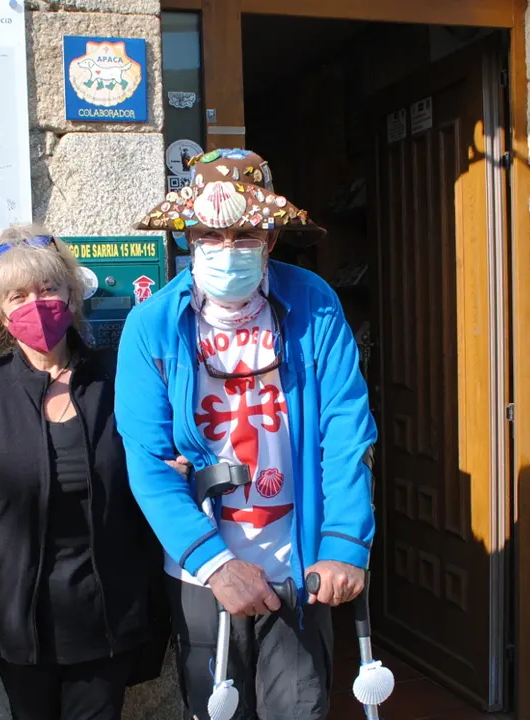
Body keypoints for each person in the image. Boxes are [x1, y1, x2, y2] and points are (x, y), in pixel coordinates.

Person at [116, 149, 378, 719]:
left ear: (271, 240)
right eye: (211, 233)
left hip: (300, 565)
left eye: (244, 234)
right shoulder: (152, 325)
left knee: (301, 708)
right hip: (201, 573)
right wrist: (215, 565)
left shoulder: (314, 305)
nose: (227, 248)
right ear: (189, 237)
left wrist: (343, 543)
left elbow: (345, 428)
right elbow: (149, 460)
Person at [0, 225, 168, 720]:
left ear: (72, 295)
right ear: (0, 312)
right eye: (18, 295)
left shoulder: (119, 381)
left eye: (48, 289)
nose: (37, 304)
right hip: (17, 628)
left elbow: (159, 485)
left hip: (110, 622)